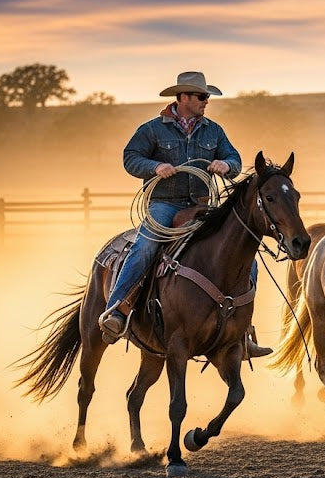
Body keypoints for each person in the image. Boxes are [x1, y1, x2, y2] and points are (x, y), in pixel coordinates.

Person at [99, 71, 272, 358]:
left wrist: (224, 165)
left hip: (203, 205)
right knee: (145, 248)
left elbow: (235, 160)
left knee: (245, 256)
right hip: (164, 204)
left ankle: (242, 330)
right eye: (202, 97)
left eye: (207, 97)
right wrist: (154, 167)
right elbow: (131, 158)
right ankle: (117, 310)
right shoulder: (153, 130)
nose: (207, 102)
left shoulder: (213, 131)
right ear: (184, 98)